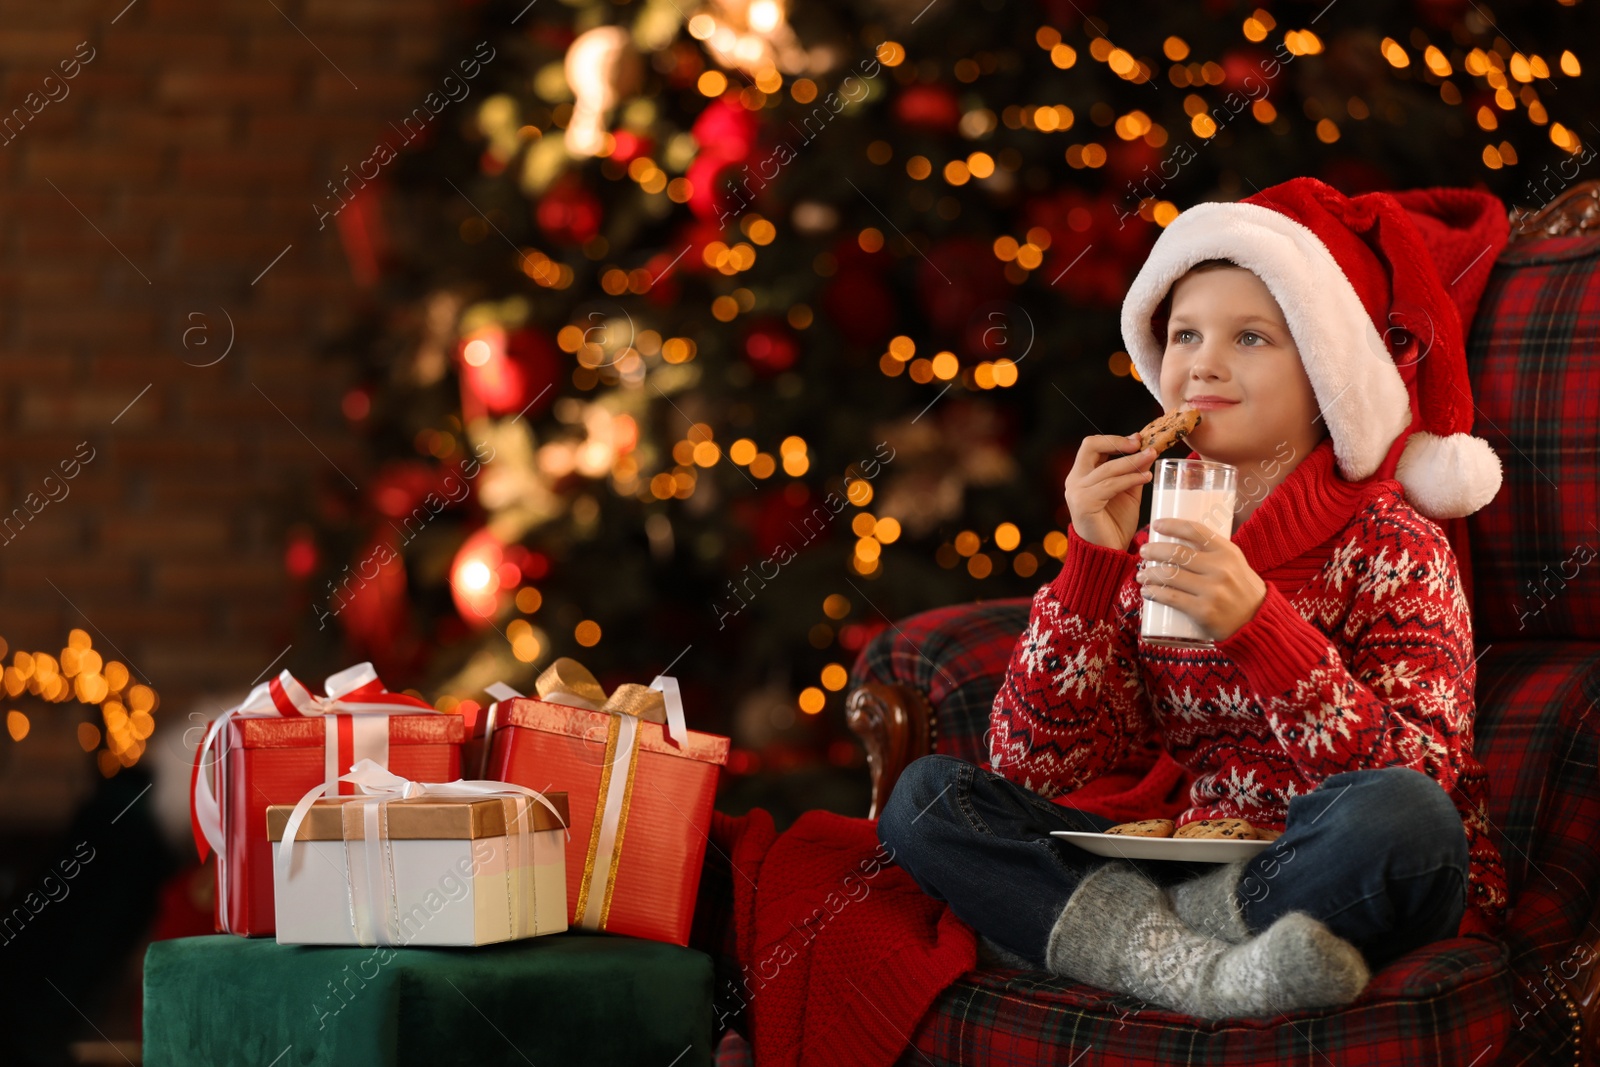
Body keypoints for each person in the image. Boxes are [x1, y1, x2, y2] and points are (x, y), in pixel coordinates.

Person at [877, 177, 1511, 1021]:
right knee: (925, 799)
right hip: (1184, 854)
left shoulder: (1394, 544)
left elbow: (1424, 778)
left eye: (1250, 336)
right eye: (1183, 334)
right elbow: (1038, 768)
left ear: (1324, 373)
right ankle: (1200, 970)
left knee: (1407, 824)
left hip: (1316, 862)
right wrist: (1093, 562)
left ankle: (1115, 936)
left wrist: (1260, 629)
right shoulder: (1155, 543)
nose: (1202, 363)